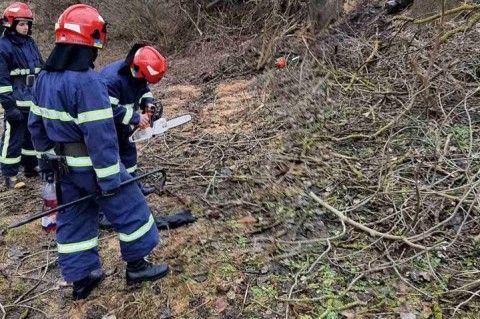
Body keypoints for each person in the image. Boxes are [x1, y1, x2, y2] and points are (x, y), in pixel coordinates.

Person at [28, 4, 169, 300]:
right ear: (92, 40)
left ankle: (81, 278)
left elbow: (36, 125)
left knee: (74, 217)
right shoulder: (87, 81)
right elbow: (101, 136)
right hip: (92, 166)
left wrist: (47, 160)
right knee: (132, 208)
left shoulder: (44, 77)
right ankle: (137, 266)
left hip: (62, 167)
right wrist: (109, 178)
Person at [100, 44, 168, 196]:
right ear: (138, 69)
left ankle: (134, 188)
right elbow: (106, 109)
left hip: (122, 125)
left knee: (129, 154)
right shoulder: (112, 80)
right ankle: (115, 192)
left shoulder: (138, 75)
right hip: (105, 127)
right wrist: (136, 118)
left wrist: (148, 104)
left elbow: (144, 90)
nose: (146, 83)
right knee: (112, 159)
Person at [0, 2, 43, 189]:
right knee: (13, 137)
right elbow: (1, 81)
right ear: (11, 24)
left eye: (27, 24)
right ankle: (9, 175)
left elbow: (40, 67)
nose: (25, 27)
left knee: (31, 135)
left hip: (32, 99)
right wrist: (9, 107)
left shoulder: (30, 42)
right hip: (16, 101)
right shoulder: (3, 46)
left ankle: (30, 166)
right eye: (21, 24)